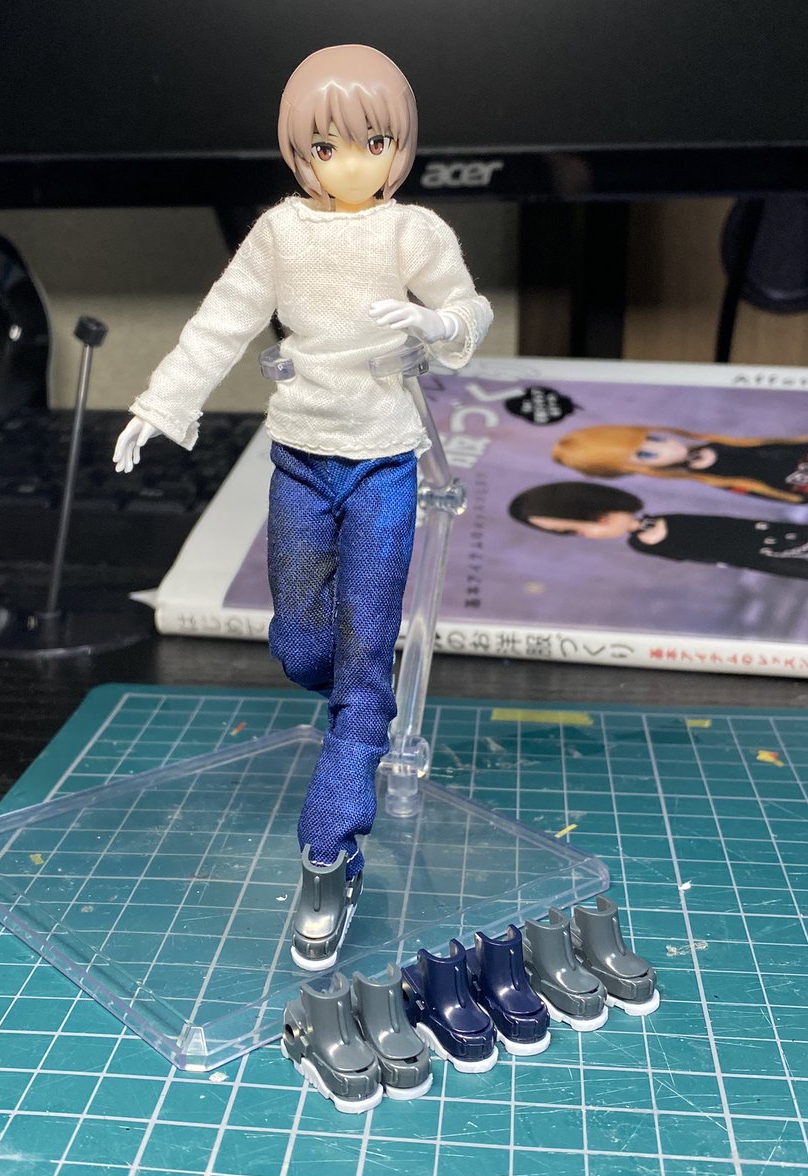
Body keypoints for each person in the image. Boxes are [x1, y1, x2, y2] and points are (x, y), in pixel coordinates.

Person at [113, 45, 492, 969]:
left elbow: (469, 312)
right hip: (299, 459)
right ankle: (360, 708)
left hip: (384, 466)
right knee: (298, 643)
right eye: (327, 146)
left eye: (375, 142)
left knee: (365, 650)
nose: (352, 163)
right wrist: (162, 404)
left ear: (401, 146)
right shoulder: (281, 232)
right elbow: (223, 319)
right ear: (298, 152)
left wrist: (437, 324)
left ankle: (334, 833)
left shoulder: (413, 232)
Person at [509, 481, 808, 578]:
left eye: (581, 525)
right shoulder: (644, 540)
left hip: (768, 542)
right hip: (762, 554)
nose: (586, 534)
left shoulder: (651, 534)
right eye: (571, 532)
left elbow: (724, 530)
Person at [551, 424, 808, 504]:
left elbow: (782, 446)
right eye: (646, 455)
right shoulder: (715, 477)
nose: (666, 446)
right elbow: (783, 494)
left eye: (654, 439)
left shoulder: (717, 444)